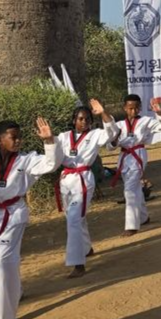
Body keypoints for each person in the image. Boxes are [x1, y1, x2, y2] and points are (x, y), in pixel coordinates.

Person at [0, 118, 59, 319]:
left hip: (14, 214)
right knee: (0, 259)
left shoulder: (27, 160)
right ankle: (16, 290)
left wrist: (49, 140)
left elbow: (51, 164)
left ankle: (5, 316)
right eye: (13, 137)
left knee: (3, 261)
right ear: (0, 139)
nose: (18, 140)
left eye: (20, 136)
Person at [54, 101, 118, 278]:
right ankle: (86, 247)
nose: (84, 122)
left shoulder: (96, 134)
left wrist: (103, 113)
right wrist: (46, 139)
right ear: (74, 120)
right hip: (66, 179)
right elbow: (53, 152)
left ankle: (78, 263)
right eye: (81, 119)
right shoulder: (64, 136)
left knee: (74, 218)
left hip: (83, 178)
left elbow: (113, 133)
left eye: (88, 119)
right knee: (73, 217)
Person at [109, 94, 161, 235]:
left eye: (136, 108)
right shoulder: (119, 125)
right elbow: (110, 145)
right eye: (130, 108)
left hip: (138, 155)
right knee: (135, 187)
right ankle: (143, 217)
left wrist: (160, 113)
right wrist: (113, 141)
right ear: (125, 108)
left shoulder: (146, 121)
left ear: (140, 108)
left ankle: (131, 225)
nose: (133, 111)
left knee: (129, 190)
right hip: (124, 157)